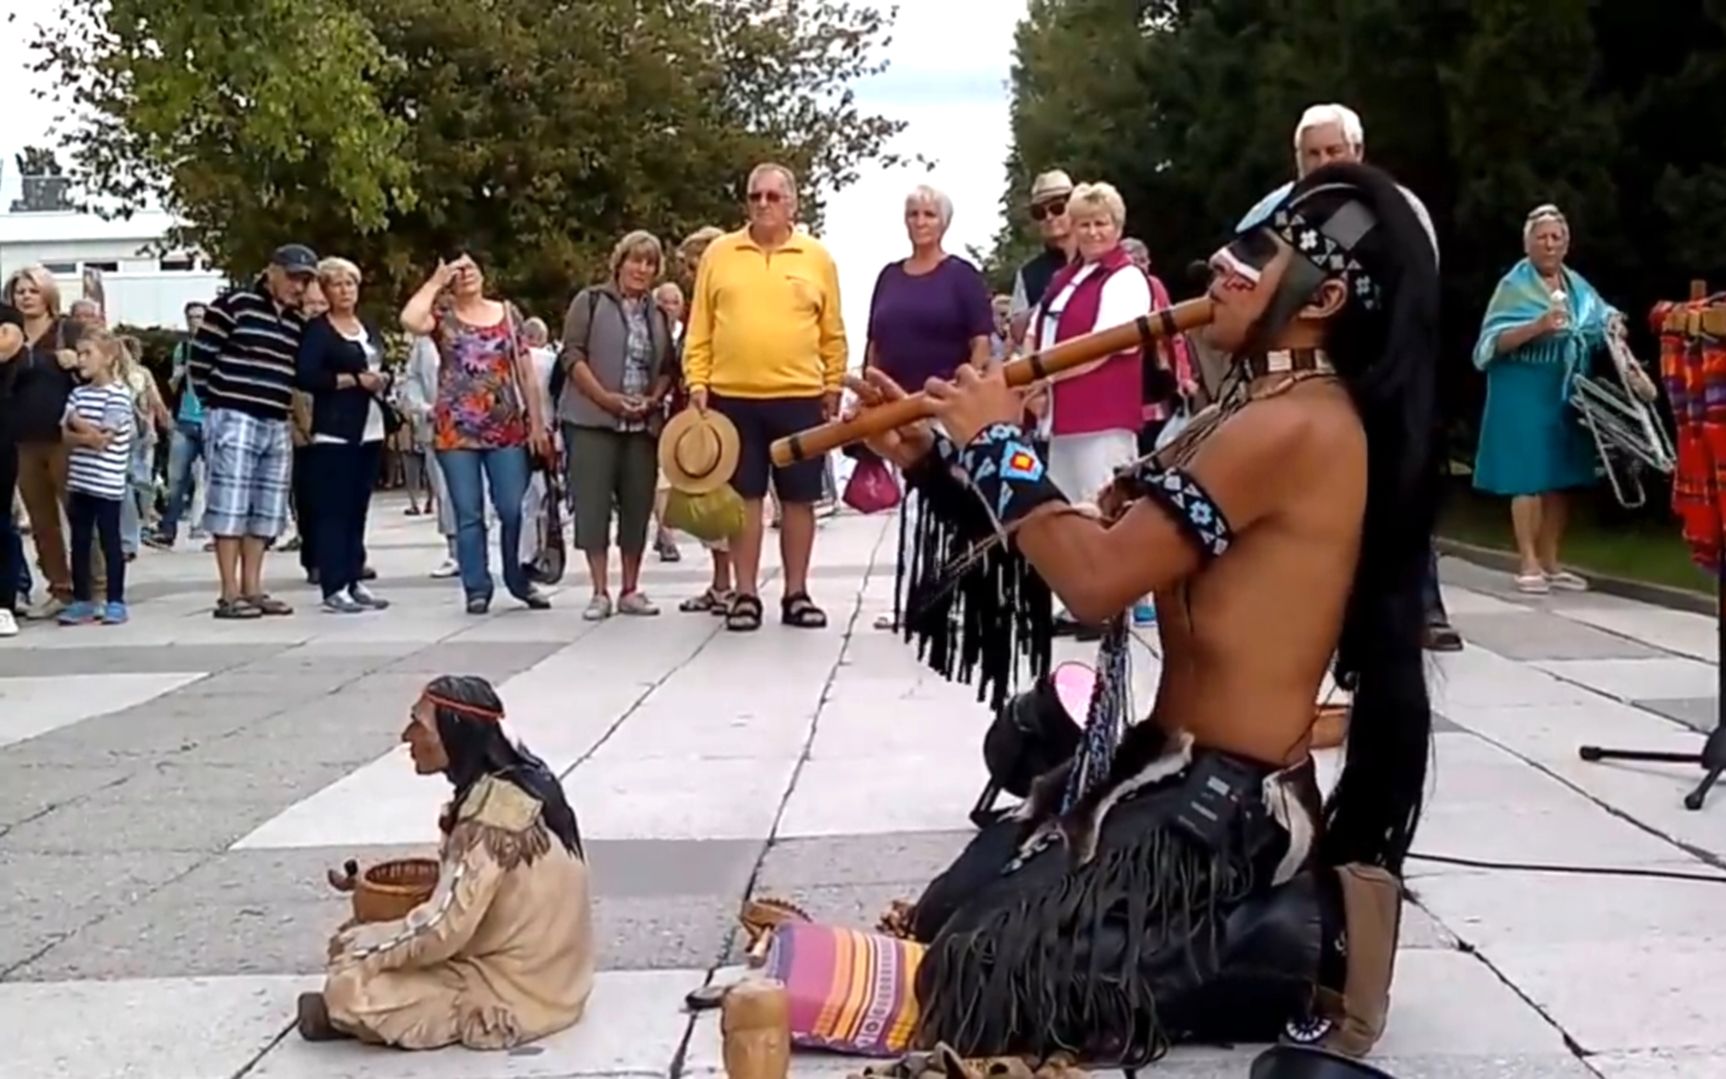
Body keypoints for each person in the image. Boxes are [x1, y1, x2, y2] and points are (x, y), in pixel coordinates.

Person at [846, 162, 1438, 1068]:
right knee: (944, 913)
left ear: (1320, 299)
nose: (1223, 268)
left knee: (976, 976)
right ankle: (1235, 939)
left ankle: (1274, 942)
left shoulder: (1299, 424)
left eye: (1256, 254)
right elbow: (1074, 546)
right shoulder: (1250, 408)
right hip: (1160, 772)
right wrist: (935, 456)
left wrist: (999, 436)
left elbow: (1095, 582)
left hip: (1226, 810)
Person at [1240, 103, 1459, 654]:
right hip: (1314, 371)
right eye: (1312, 155)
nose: (1324, 163)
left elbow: (1409, 288)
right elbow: (1247, 274)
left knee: (1397, 483)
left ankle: (1419, 604)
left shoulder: (1389, 206)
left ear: (1357, 152)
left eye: (1334, 152)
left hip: (1389, 365)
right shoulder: (1283, 208)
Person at [298, 674, 595, 1049]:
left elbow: (444, 927)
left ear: (457, 736)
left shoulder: (492, 818)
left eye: (419, 725)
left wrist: (364, 946)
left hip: (517, 986)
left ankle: (352, 1015)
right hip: (556, 973)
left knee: (350, 984)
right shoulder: (522, 784)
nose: (407, 737)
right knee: (371, 939)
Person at [682, 164, 848, 632]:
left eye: (774, 196)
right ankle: (745, 593)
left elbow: (832, 331)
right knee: (744, 499)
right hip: (732, 396)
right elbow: (700, 327)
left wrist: (834, 384)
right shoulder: (720, 253)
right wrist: (697, 382)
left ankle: (797, 593)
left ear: (793, 203)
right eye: (755, 195)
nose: (763, 203)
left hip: (799, 394)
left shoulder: (816, 257)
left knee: (799, 499)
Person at [1026, 182, 1155, 632]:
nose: (1093, 232)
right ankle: (1079, 601)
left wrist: (1044, 376)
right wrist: (1032, 379)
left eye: (1101, 223)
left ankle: (1113, 603)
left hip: (1103, 410)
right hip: (1061, 415)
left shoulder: (1126, 278)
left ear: (1117, 227)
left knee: (1103, 502)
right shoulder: (1067, 277)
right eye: (1084, 224)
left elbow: (1105, 344)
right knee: (1069, 504)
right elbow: (1038, 329)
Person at [400, 253, 554, 615]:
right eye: (458, 270)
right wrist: (436, 282)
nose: (466, 274)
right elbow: (409, 319)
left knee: (512, 508)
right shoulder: (443, 318)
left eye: (471, 267)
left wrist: (536, 424)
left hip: (505, 427)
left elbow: (526, 373)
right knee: (468, 512)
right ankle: (476, 586)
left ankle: (518, 578)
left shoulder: (507, 313)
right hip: (457, 430)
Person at [1471, 204, 1611, 594]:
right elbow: (1490, 342)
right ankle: (1528, 560)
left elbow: (1601, 318)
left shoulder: (1577, 285)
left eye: (1556, 238)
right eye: (1542, 237)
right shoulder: (1513, 287)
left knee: (1560, 476)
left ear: (1566, 244)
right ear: (1527, 243)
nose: (1550, 245)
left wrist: (1614, 324)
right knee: (1526, 475)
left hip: (1566, 387)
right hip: (1522, 386)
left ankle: (1551, 560)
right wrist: (1538, 326)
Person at [188, 244, 318, 619]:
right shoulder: (235, 305)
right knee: (230, 501)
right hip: (234, 411)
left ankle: (253, 587)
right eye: (294, 277)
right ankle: (229, 593)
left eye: (305, 279)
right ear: (272, 272)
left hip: (275, 417)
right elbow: (202, 359)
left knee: (266, 504)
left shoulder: (296, 322)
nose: (298, 286)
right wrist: (214, 404)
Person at [558, 230, 678, 619]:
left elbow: (666, 368)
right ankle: (599, 590)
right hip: (592, 419)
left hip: (641, 424)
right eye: (635, 260)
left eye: (649, 263)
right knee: (592, 506)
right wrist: (605, 399)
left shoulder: (657, 314)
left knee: (637, 504)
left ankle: (630, 587)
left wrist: (654, 399)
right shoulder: (590, 301)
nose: (641, 269)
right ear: (620, 261)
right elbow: (572, 355)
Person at [297, 257, 393, 614]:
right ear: (325, 290)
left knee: (358, 507)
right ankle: (333, 583)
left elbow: (382, 362)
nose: (345, 290)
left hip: (370, 425)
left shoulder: (366, 325)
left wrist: (382, 380)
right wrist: (352, 380)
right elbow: (307, 374)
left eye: (350, 283)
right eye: (337, 285)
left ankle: (355, 576)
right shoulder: (319, 331)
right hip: (336, 427)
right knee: (333, 509)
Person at [3, 264, 90, 620]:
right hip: (22, 437)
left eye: (32, 290)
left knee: (81, 513)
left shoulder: (67, 330)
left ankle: (93, 588)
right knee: (41, 522)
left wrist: (77, 362)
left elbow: (102, 366)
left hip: (64, 436)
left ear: (48, 294)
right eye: (20, 291)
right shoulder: (9, 332)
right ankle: (60, 589)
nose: (25, 296)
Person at [56, 329, 134, 625]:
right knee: (79, 541)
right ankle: (82, 599)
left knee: (110, 541)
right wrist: (84, 432)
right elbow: (65, 436)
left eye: (88, 353)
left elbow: (105, 439)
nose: (81, 359)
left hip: (107, 484)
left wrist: (77, 423)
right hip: (80, 481)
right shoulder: (78, 393)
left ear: (108, 357)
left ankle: (115, 599)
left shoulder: (118, 396)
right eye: (79, 353)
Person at [146, 302, 210, 550]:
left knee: (215, 479)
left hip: (209, 418)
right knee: (176, 480)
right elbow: (172, 386)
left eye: (200, 317)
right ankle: (167, 530)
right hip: (185, 418)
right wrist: (179, 375)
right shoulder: (182, 349)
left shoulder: (214, 348)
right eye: (191, 317)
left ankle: (218, 534)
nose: (195, 321)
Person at [1006, 170, 1078, 349]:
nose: (1049, 217)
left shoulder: (1097, 257)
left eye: (1057, 208)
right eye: (1039, 212)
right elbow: (1017, 334)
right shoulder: (1028, 274)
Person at [0, 303, 25, 638]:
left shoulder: (7, 319)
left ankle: (3, 603)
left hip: (1, 439)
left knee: (0, 525)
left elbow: (7, 345)